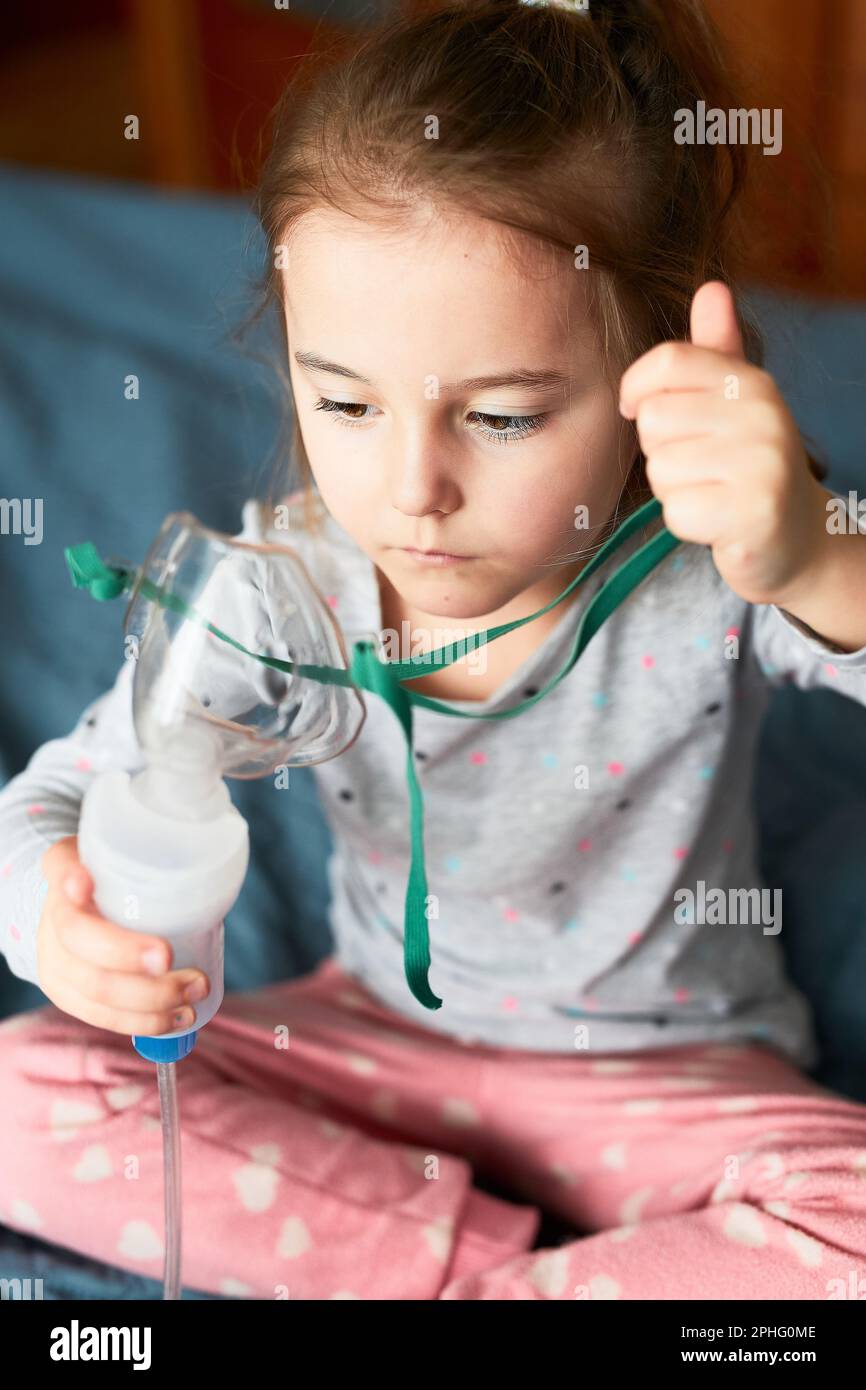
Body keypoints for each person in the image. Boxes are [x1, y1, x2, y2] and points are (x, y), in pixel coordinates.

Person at [2, 0, 866, 1300]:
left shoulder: (708, 567)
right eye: (342, 399)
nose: (411, 488)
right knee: (27, 1089)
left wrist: (810, 556)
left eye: (505, 415)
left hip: (664, 1074)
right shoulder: (284, 595)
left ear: (651, 368)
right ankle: (480, 1271)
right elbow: (63, 791)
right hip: (374, 1049)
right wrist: (58, 920)